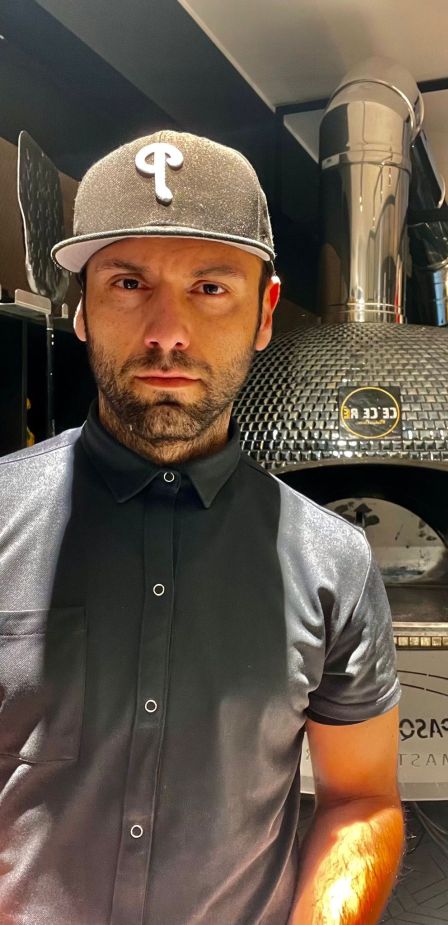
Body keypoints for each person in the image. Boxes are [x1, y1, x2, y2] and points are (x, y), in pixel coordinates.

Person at [0, 130, 403, 925]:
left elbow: (360, 799)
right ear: (81, 308)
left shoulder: (335, 564)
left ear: (264, 312)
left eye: (210, 287)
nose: (168, 331)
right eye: (128, 282)